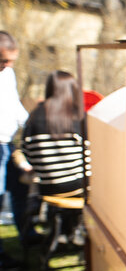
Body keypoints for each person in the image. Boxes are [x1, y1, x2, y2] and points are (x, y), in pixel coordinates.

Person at [19, 70, 89, 198]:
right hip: (78, 185)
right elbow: (89, 150)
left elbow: (26, 149)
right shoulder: (76, 116)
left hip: (47, 187)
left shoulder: (34, 116)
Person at [0, 30, 32, 270]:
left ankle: (27, 235)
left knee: (20, 188)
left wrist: (31, 124)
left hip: (7, 145)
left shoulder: (7, 73)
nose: (8, 65)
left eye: (11, 60)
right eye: (3, 60)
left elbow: (13, 105)